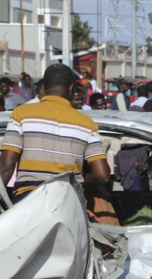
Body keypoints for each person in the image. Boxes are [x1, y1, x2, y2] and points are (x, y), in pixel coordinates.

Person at [0, 63, 110, 203]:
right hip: (69, 202)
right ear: (71, 88)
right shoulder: (87, 123)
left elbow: (6, 167)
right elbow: (102, 175)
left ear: (43, 88)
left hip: (28, 201)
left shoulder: (21, 114)